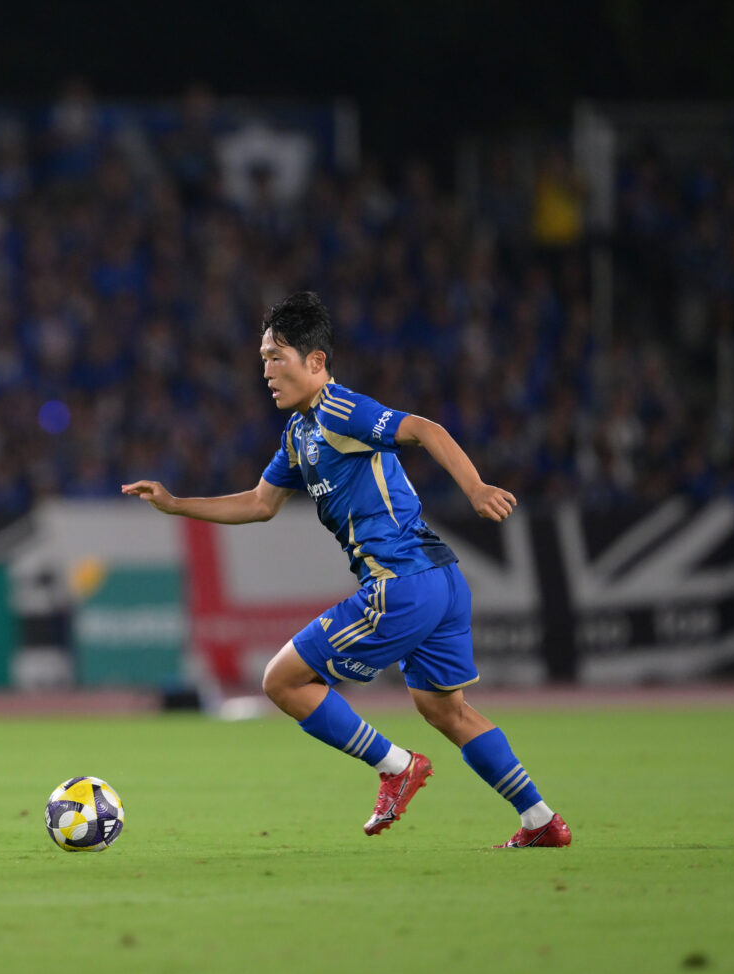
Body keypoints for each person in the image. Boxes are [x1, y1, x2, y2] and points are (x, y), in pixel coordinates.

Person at [122, 291, 570, 848]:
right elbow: (260, 504)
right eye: (263, 359)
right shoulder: (299, 433)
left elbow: (425, 429)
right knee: (446, 711)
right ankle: (540, 820)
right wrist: (176, 504)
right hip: (441, 580)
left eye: (276, 358)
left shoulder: (339, 410)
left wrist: (476, 488)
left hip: (400, 583)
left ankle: (396, 767)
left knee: (282, 681)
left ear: (315, 361)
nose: (266, 371)